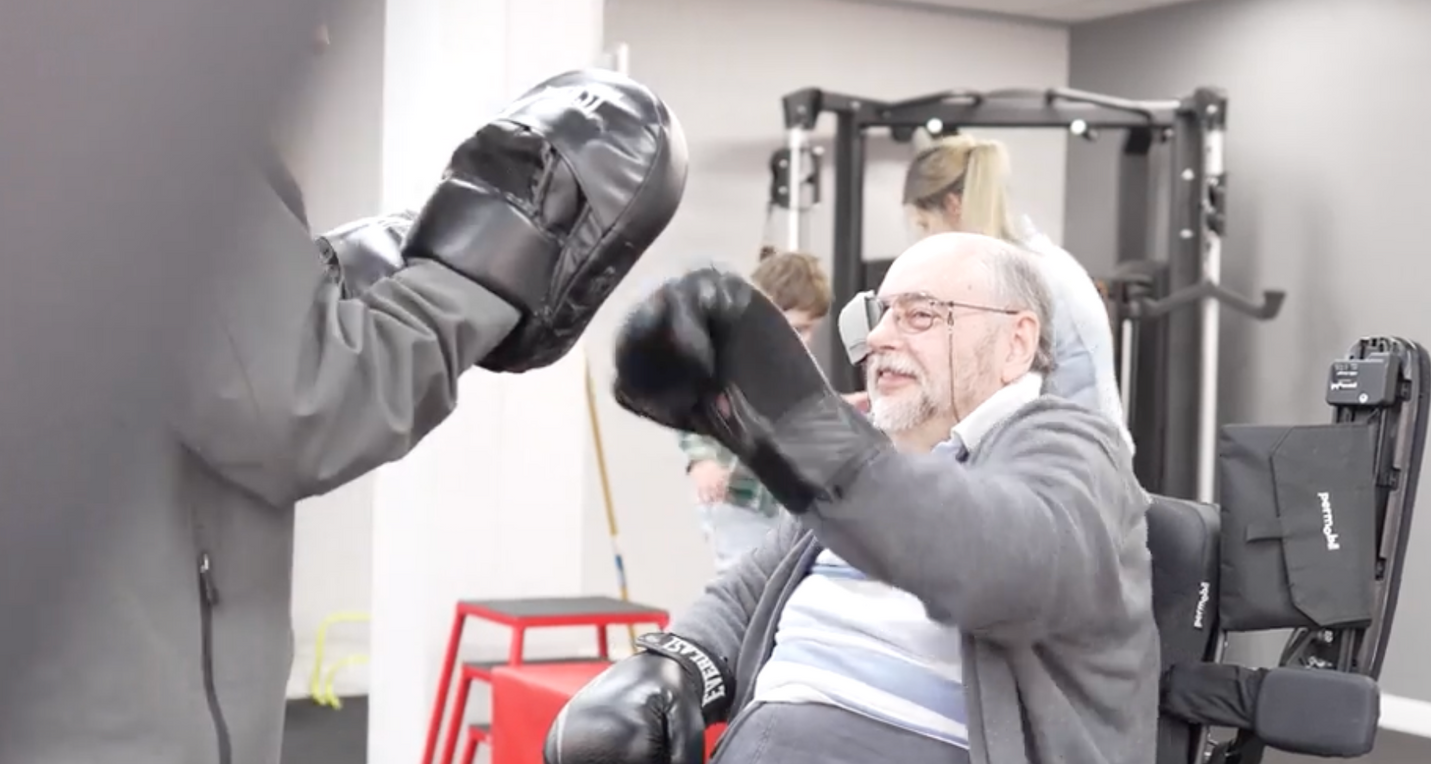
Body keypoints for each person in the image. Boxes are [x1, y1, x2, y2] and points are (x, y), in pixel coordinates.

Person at [3, 64, 688, 764]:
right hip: (120, 715)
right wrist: (483, 264)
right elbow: (304, 404)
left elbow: (198, 350)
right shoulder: (155, 127)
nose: (322, 32)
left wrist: (355, 270)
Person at [550, 232, 1158, 764]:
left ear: (1016, 343)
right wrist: (675, 667)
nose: (878, 337)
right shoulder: (880, 455)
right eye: (880, 312)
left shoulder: (1071, 444)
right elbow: (747, 591)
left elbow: (1002, 564)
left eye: (920, 315)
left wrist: (813, 439)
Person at [898, 134, 1129, 445]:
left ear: (953, 206)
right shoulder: (1019, 261)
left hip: (1076, 461)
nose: (924, 242)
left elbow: (987, 396)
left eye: (925, 226)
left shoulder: (1025, 279)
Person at [680, 247, 835, 571]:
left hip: (773, 502)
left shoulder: (791, 366)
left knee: (781, 581)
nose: (802, 340)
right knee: (744, 581)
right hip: (734, 500)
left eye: (808, 330)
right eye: (794, 328)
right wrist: (702, 461)